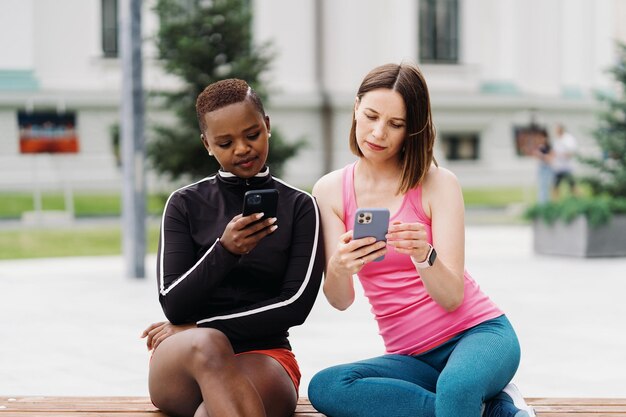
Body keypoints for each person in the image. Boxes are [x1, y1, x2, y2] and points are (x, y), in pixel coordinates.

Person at [307, 63, 535, 417]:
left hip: (478, 336)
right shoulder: (330, 190)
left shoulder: (438, 183)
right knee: (327, 386)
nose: (378, 133)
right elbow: (340, 301)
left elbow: (451, 296)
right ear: (355, 108)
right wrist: (337, 266)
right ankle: (491, 411)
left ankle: (464, 400)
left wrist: (423, 254)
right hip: (411, 359)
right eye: (370, 116)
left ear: (411, 129)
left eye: (395, 124)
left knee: (456, 387)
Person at [141, 78, 324, 417]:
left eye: (252, 134)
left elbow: (294, 305)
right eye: (225, 142)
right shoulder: (184, 204)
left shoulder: (300, 207)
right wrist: (225, 251)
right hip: (186, 355)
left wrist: (201, 324)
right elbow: (173, 304)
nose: (242, 148)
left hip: (265, 354)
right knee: (209, 344)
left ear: (267, 126)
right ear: (207, 144)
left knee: (211, 412)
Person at [551, 123, 578, 199]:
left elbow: (571, 152)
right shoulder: (557, 139)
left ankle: (579, 199)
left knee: (572, 185)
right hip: (558, 167)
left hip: (567, 167)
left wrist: (561, 155)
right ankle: (556, 203)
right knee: (555, 186)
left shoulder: (568, 139)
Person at [532, 129, 553, 204]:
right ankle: (542, 203)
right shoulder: (540, 147)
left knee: (547, 186)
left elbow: (550, 158)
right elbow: (535, 155)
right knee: (541, 187)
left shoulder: (549, 147)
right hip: (541, 168)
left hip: (547, 168)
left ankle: (547, 203)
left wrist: (542, 156)